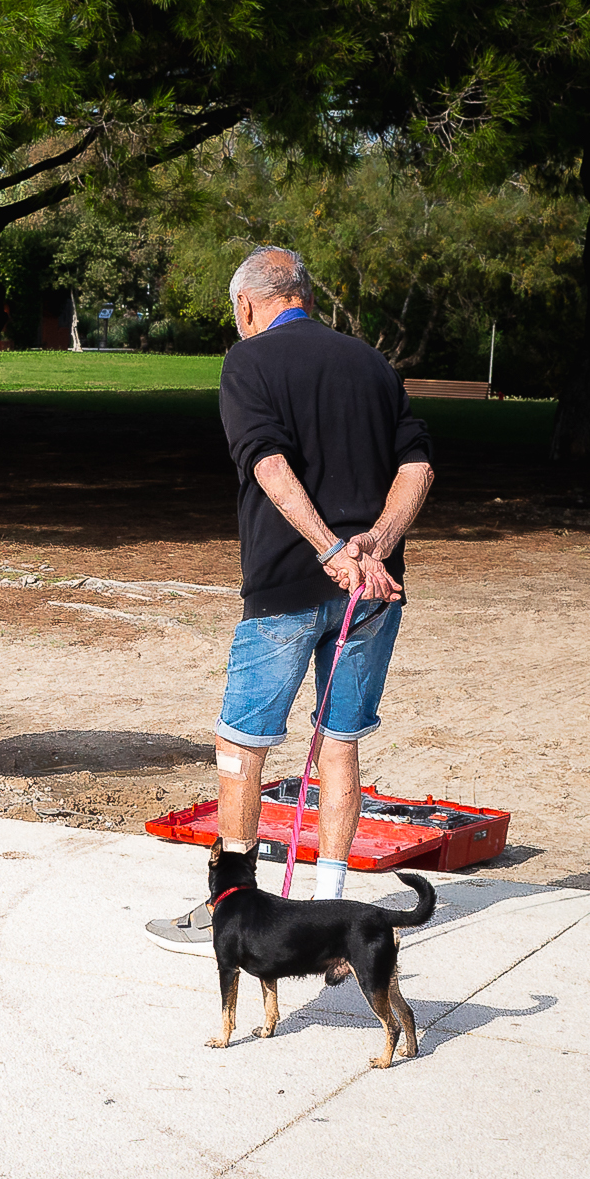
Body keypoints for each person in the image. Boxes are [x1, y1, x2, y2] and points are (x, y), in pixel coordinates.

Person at [147, 246, 434, 954]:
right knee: (338, 744)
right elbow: (418, 463)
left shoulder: (247, 362)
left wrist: (331, 550)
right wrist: (378, 541)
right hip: (373, 588)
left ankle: (231, 909)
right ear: (302, 293)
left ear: (249, 305)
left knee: (240, 747)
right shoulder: (371, 362)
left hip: (288, 588)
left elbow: (267, 463)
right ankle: (333, 918)